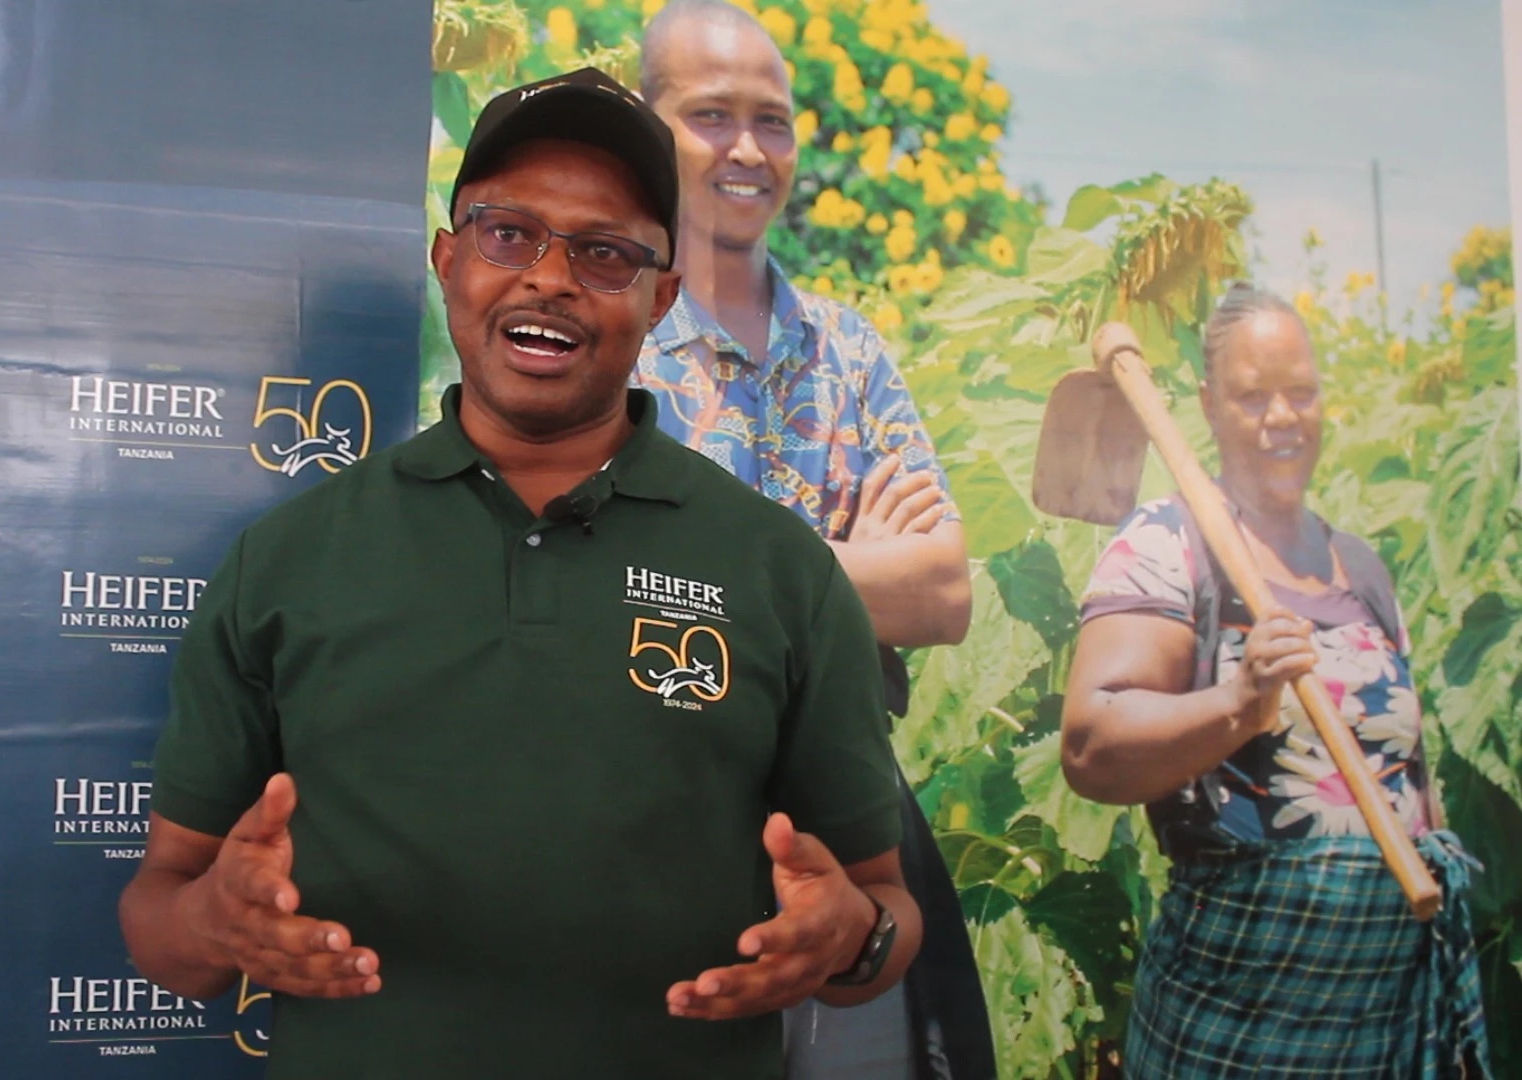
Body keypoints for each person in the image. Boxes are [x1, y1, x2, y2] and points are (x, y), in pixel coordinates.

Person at [118, 67, 923, 1079]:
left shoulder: (780, 572)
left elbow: (883, 908)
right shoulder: (290, 561)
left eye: (604, 252)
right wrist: (217, 922)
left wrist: (847, 937)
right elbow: (161, 917)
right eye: (509, 234)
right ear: (449, 261)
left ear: (662, 296)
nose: (549, 277)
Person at [635, 4, 992, 1078]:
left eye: (773, 121)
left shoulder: (849, 347)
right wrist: (840, 563)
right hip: (654, 829)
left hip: (850, 836)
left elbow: (941, 594)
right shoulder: (611, 331)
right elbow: (607, 586)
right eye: (711, 116)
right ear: (645, 126)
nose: (749, 150)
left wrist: (708, 569)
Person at [1060, 284, 1489, 1078]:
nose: (1281, 418)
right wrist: (1238, 705)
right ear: (1208, 407)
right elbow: (1091, 747)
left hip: (1385, 1025)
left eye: (1301, 392)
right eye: (1252, 397)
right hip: (1236, 1019)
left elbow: (1410, 781)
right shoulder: (1168, 543)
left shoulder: (1359, 566)